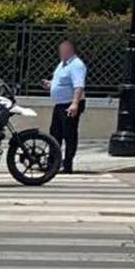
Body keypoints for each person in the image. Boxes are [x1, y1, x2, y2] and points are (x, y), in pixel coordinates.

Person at [43, 39, 86, 174]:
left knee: (69, 134)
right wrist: (51, 85)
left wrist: (75, 104)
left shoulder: (76, 65)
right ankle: (53, 163)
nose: (60, 52)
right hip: (60, 104)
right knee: (55, 134)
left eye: (63, 49)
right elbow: (62, 82)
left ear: (70, 50)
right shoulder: (62, 64)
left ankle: (67, 165)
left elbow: (79, 86)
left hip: (69, 104)